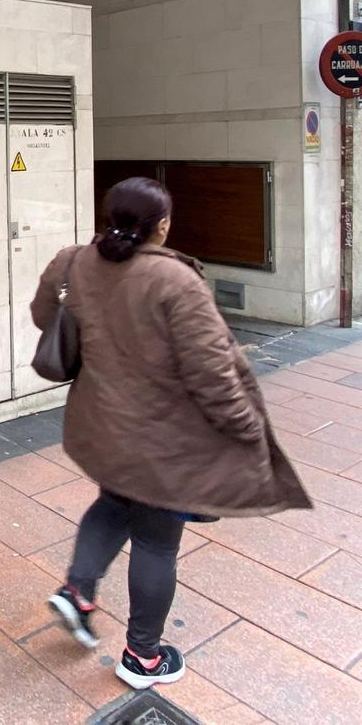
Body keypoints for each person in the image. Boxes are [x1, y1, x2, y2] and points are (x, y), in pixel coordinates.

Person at [31, 176, 310, 690]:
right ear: (162, 225)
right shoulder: (176, 281)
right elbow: (213, 374)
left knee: (115, 500)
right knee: (157, 543)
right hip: (164, 441)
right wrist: (247, 431)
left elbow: (42, 315)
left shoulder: (72, 262)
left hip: (102, 424)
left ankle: (77, 592)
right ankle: (144, 658)